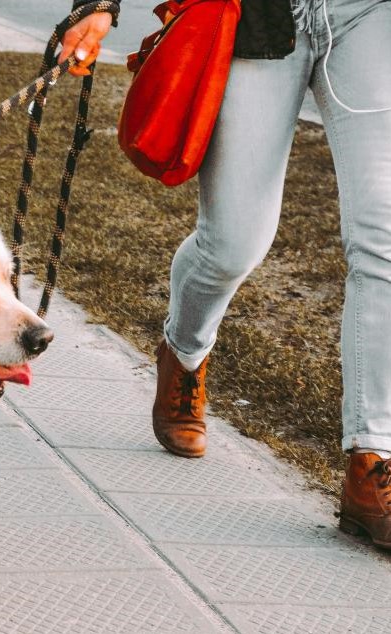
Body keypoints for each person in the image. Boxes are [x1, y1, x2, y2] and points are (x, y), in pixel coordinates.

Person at [61, 0, 391, 549]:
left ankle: (373, 457)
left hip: (368, 15)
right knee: (232, 243)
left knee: (383, 240)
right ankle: (184, 351)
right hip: (258, 16)